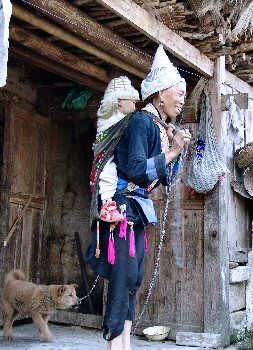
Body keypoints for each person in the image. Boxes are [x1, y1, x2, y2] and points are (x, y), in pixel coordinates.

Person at [86, 44, 191, 350]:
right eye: (178, 90)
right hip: (122, 208)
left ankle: (126, 343)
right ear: (159, 93)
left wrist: (175, 151)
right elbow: (133, 170)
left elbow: (163, 179)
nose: (183, 96)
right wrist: (171, 152)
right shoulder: (142, 121)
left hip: (139, 210)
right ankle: (114, 345)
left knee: (134, 278)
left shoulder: (158, 126)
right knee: (123, 278)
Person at [92, 76, 140, 222]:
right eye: (131, 99)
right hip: (109, 163)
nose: (134, 103)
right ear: (119, 101)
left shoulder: (125, 120)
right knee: (108, 169)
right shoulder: (112, 122)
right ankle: (107, 204)